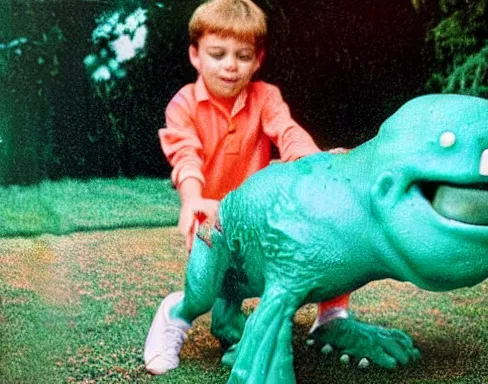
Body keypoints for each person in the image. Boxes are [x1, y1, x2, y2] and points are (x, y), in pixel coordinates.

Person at [144, 0, 351, 375]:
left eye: (242, 56)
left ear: (257, 60)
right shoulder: (183, 105)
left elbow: (287, 133)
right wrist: (192, 199)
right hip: (213, 217)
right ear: (195, 55)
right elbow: (184, 154)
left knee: (323, 232)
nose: (230, 65)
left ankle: (333, 316)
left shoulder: (264, 96)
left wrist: (316, 164)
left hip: (256, 217)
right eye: (217, 54)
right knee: (206, 292)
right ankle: (176, 314)